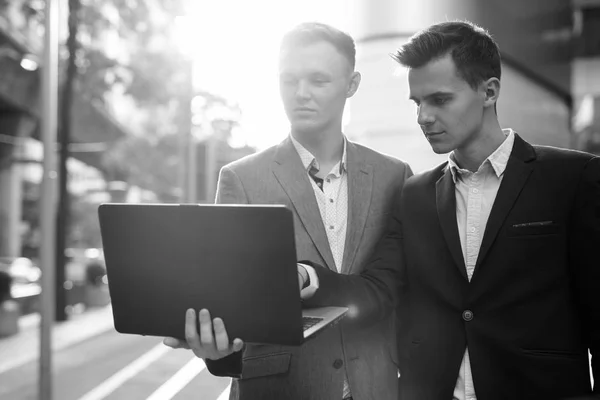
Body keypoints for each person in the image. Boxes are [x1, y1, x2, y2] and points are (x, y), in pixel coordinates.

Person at [300, 20, 600, 399]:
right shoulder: (414, 195)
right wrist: (306, 277)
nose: (423, 116)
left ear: (489, 92)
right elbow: (377, 289)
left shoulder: (573, 178)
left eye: (440, 100)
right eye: (417, 102)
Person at [163, 22, 413, 400]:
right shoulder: (241, 179)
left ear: (352, 84)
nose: (300, 94)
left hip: (376, 388)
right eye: (288, 80)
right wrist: (218, 354)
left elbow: (395, 290)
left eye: (318, 80)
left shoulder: (394, 176)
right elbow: (227, 300)